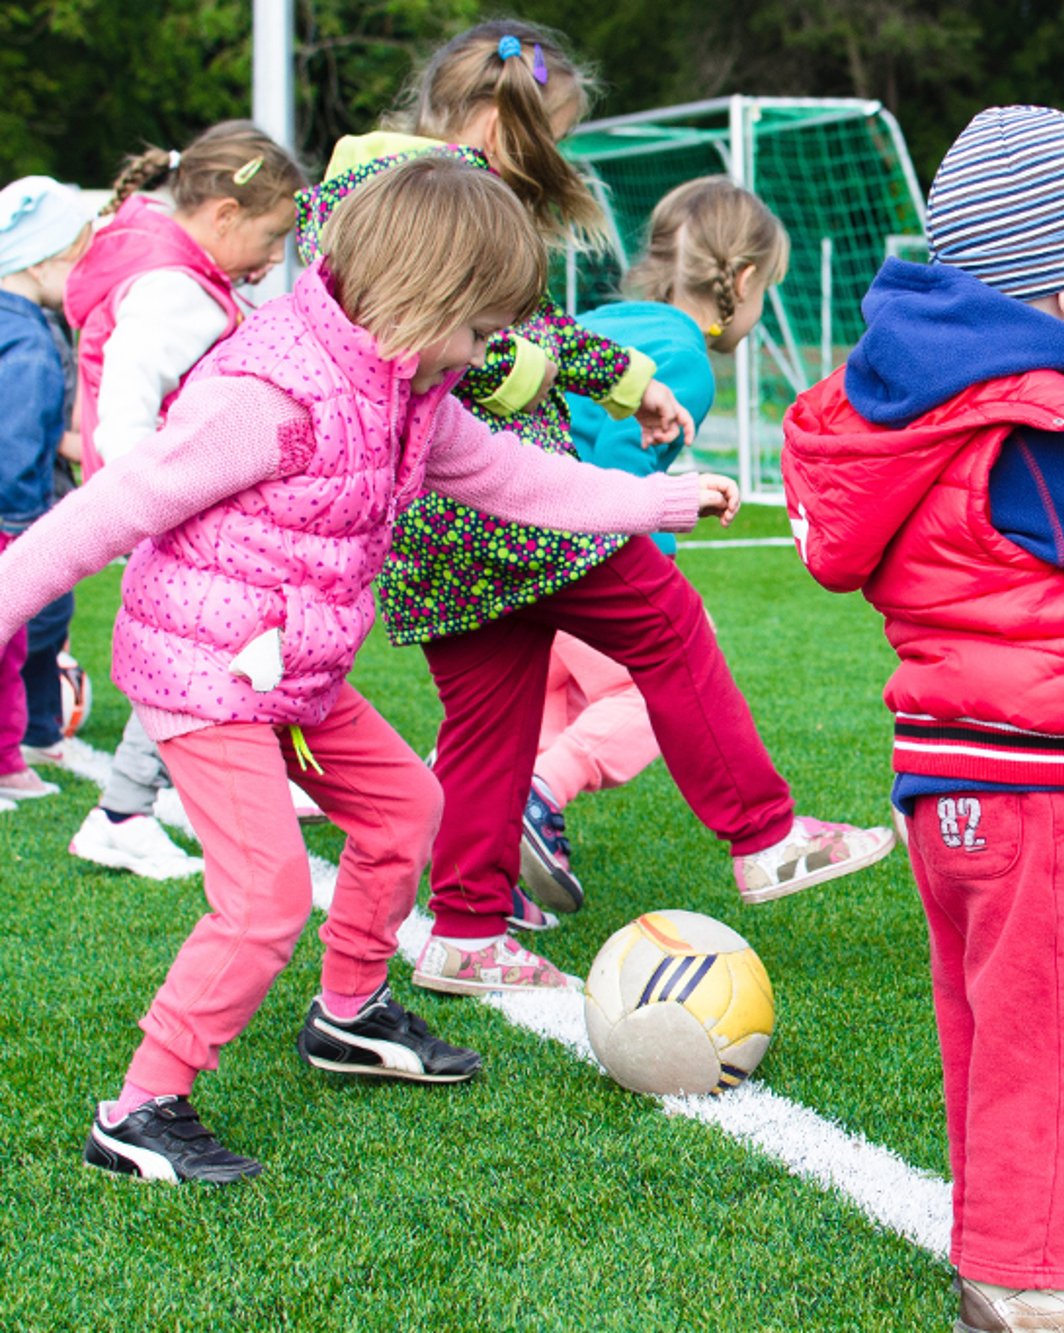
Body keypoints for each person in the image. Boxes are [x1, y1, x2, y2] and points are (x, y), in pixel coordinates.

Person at [0, 155, 741, 1186]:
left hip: (293, 674)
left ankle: (347, 1015)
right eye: (484, 331)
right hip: (204, 673)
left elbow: (510, 477)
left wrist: (656, 502)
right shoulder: (267, 394)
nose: (493, 354)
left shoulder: (409, 386)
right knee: (263, 897)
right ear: (426, 297)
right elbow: (106, 511)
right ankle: (138, 1108)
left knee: (406, 809)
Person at [295, 20, 892, 989]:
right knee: (667, 625)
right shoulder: (430, 196)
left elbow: (525, 325)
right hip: (505, 503)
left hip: (430, 528)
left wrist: (628, 383)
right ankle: (764, 834)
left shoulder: (365, 184)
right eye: (550, 139)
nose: (552, 162)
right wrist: (558, 391)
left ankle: (466, 932)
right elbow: (469, 347)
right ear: (497, 123)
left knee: (490, 719)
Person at [782, 106, 1064, 1333]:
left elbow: (1002, 574)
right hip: (1030, 784)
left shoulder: (938, 406)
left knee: (996, 1024)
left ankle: (1010, 1235)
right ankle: (1031, 1278)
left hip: (955, 773)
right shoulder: (1031, 417)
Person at [523, 175, 788, 917]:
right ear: (739, 280)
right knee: (650, 683)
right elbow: (614, 479)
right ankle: (540, 793)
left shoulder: (607, 319)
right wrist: (658, 558)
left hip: (506, 549)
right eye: (766, 288)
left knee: (537, 701)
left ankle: (477, 824)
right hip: (564, 551)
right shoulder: (683, 360)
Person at [62, 121, 309, 880]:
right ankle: (124, 812)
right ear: (224, 216)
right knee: (198, 653)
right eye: (271, 239)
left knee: (220, 645)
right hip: (171, 509)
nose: (274, 264)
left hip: (173, 504)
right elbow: (128, 411)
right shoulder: (175, 292)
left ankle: (158, 799)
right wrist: (156, 502)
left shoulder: (177, 267)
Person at [0, 176, 94, 812]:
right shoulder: (29, 338)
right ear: (42, 260)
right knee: (9, 642)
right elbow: (15, 443)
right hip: (12, 518)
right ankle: (8, 764)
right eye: (78, 256)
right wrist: (26, 524)